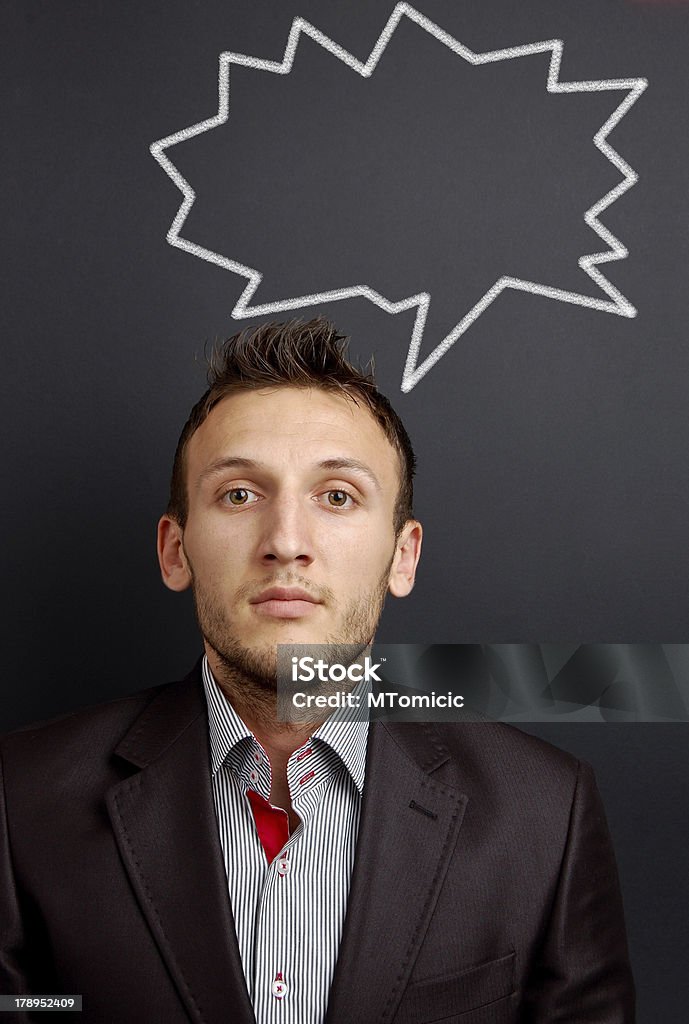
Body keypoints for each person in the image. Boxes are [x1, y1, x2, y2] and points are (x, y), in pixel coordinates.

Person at [0, 318, 634, 1023]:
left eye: (336, 496)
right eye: (240, 494)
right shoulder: (22, 800)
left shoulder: (544, 814)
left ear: (403, 556)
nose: (285, 543)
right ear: (174, 551)